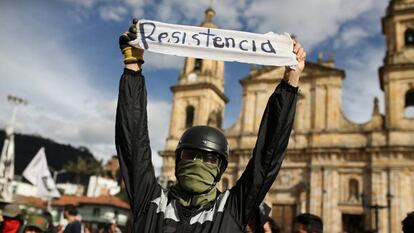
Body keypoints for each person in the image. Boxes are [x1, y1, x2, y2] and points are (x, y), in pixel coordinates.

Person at [116, 19, 306, 233]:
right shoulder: (151, 201)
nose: (198, 163)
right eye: (190, 155)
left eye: (209, 158)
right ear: (178, 160)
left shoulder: (232, 208)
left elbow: (268, 155)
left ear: (221, 167)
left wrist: (292, 80)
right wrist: (132, 65)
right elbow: (131, 143)